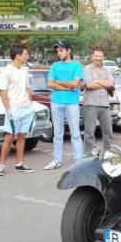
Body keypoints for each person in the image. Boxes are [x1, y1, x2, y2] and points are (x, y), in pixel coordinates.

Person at [0, 44, 35, 176]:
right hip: (14, 109)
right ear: (18, 56)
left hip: (26, 109)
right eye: (25, 54)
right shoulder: (6, 71)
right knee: (9, 137)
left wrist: (29, 102)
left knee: (22, 136)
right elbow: (2, 91)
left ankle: (19, 163)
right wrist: (8, 110)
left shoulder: (24, 70)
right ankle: (1, 165)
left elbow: (28, 88)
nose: (27, 56)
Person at [44, 40, 83, 170]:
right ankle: (56, 160)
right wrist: (68, 86)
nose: (59, 53)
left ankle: (79, 161)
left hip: (72, 103)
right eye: (58, 51)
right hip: (56, 102)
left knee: (75, 134)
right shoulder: (55, 66)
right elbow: (50, 84)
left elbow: (75, 84)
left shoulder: (77, 66)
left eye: (61, 50)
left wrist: (59, 82)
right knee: (58, 134)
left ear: (68, 51)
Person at [82, 46, 114, 156]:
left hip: (105, 105)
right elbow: (89, 85)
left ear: (103, 57)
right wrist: (104, 83)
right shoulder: (86, 69)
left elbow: (111, 84)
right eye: (96, 56)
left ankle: (108, 156)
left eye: (100, 56)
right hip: (91, 104)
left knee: (108, 133)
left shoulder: (107, 70)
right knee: (90, 133)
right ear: (92, 56)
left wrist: (97, 81)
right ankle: (89, 157)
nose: (98, 58)